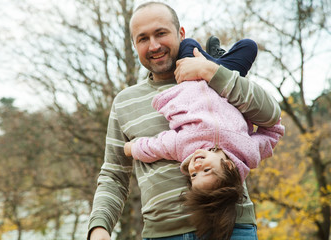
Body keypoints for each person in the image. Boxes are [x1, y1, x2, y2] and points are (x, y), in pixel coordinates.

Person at [88, 2, 281, 240]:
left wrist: (212, 72)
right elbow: (114, 175)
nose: (154, 45)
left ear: (181, 34)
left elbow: (272, 115)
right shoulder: (124, 102)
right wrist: (99, 227)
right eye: (143, 38)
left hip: (232, 228)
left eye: (161, 33)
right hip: (163, 233)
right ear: (135, 45)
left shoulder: (217, 80)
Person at [123, 38, 285, 239]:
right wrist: (212, 71)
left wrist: (131, 148)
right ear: (229, 166)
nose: (196, 167)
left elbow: (154, 147)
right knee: (250, 46)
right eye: (207, 170)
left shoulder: (183, 146)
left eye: (193, 176)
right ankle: (215, 61)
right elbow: (273, 131)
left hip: (188, 79)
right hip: (220, 82)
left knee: (188, 44)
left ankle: (214, 59)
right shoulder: (247, 151)